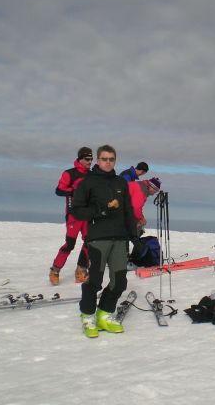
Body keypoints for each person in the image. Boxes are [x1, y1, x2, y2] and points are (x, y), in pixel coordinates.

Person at [72, 144, 139, 338]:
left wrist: (134, 236)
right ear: (98, 160)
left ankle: (104, 314)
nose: (108, 162)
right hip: (98, 238)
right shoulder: (87, 182)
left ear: (115, 161)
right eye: (104, 159)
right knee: (94, 281)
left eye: (111, 159)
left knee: (120, 283)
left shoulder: (121, 183)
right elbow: (77, 211)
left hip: (120, 239)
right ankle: (87, 316)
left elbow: (128, 211)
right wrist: (101, 210)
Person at [49, 147, 93, 286]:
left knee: (90, 242)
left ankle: (81, 271)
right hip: (73, 215)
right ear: (80, 159)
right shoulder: (70, 173)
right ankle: (55, 270)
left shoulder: (91, 175)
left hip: (87, 215)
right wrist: (74, 191)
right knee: (70, 244)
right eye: (87, 159)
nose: (89, 162)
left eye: (91, 159)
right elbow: (59, 190)